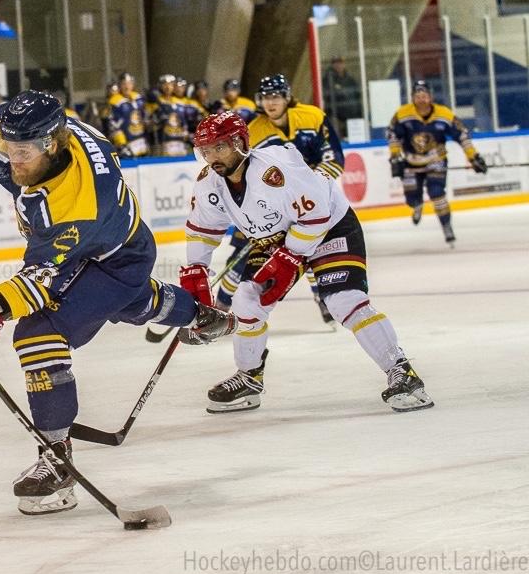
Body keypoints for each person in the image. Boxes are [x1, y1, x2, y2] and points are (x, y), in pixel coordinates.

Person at [0, 91, 235, 515]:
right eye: (7, 147)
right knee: (128, 303)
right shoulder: (28, 132)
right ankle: (201, 316)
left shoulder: (78, 200)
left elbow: (39, 281)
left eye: (22, 153)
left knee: (38, 333)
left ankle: (56, 460)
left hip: (117, 260)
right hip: (107, 242)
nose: (11, 160)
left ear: (51, 145)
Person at [182, 111, 433, 414]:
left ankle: (403, 373)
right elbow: (202, 231)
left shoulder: (277, 168)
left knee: (344, 300)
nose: (212, 157)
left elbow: (316, 215)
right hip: (276, 239)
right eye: (206, 150)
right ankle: (249, 378)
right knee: (247, 299)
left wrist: (291, 257)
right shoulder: (209, 183)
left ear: (240, 144)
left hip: (329, 226)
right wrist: (196, 271)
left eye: (219, 147)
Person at [222, 73, 345, 325]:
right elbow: (247, 174)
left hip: (309, 203)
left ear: (287, 97)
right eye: (266, 97)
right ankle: (219, 306)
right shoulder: (253, 131)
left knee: (311, 249)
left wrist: (311, 187)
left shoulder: (312, 116)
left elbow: (334, 158)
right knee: (240, 259)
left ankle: (322, 298)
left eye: (275, 96)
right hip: (269, 206)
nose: (270, 102)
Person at [387, 80, 487, 246]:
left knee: (437, 192)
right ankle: (417, 205)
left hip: (436, 161)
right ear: (412, 98)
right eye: (418, 96)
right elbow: (392, 134)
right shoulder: (403, 114)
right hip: (411, 162)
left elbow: (462, 135)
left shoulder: (444, 114)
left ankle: (446, 225)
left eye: (424, 95)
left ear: (431, 97)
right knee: (412, 198)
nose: (421, 99)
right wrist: (395, 155)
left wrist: (473, 157)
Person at [107, 72, 148, 157]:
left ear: (133, 84)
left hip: (142, 142)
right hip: (128, 144)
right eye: (124, 84)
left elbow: (145, 118)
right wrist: (122, 144)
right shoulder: (115, 102)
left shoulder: (138, 98)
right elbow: (113, 126)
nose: (127, 87)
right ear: (119, 85)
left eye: (129, 83)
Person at [323, 56, 362, 138]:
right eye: (336, 63)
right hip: (337, 116)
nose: (338, 65)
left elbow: (357, 95)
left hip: (353, 116)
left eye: (340, 63)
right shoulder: (328, 79)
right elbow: (328, 97)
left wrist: (359, 113)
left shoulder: (350, 80)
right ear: (332, 65)